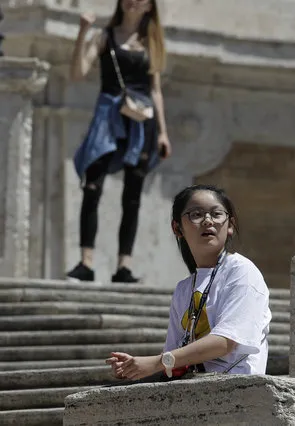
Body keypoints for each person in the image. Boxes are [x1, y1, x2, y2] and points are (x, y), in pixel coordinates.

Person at [106, 184, 272, 379]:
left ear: (230, 226)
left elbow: (225, 342)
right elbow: (175, 357)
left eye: (217, 214)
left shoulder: (242, 272)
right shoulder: (184, 288)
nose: (208, 221)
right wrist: (132, 367)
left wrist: (155, 362)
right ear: (177, 228)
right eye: (196, 214)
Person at [67, 0, 171, 283]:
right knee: (92, 185)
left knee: (133, 196)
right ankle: (86, 263)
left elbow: (156, 91)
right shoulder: (104, 36)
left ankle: (123, 266)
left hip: (141, 120)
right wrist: (82, 33)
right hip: (107, 116)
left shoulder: (152, 43)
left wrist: (162, 132)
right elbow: (78, 73)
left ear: (150, 6)